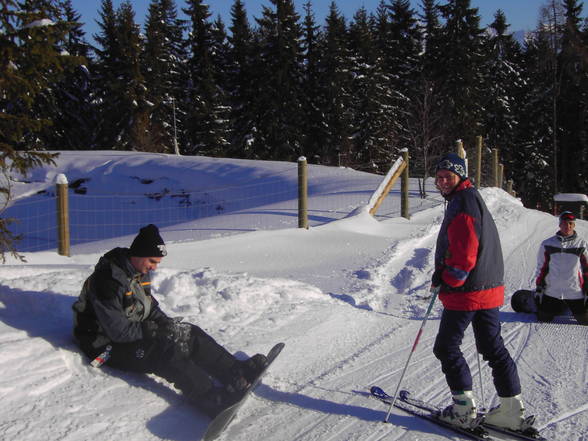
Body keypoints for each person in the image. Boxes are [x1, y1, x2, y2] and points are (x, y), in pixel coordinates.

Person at [72, 224, 268, 418]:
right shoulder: (108, 282)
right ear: (139, 254)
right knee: (163, 350)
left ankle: (234, 371)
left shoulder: (137, 271)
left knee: (187, 333)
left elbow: (148, 306)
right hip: (104, 345)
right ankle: (209, 397)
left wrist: (165, 323)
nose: (155, 267)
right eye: (152, 261)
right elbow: (118, 332)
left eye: (157, 262)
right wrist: (152, 331)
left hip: (130, 330)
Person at [431, 153, 531, 431]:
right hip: (488, 289)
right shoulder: (471, 199)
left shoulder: (463, 203)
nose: (442, 182)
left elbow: (465, 256)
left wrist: (447, 277)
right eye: (438, 177)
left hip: (468, 290)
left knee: (446, 347)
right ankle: (512, 410)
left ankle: (463, 410)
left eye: (447, 177)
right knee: (491, 347)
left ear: (460, 176)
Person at [534, 211, 588, 325]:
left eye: (570, 223)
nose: (567, 226)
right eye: (564, 223)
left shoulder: (582, 244)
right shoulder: (548, 244)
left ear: (574, 225)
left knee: (584, 321)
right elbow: (541, 267)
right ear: (559, 225)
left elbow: (586, 269)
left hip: (575, 292)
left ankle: (567, 306)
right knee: (543, 318)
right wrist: (539, 287)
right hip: (553, 291)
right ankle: (559, 305)